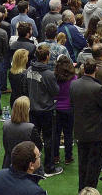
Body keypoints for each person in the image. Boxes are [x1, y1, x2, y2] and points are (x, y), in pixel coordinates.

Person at [70, 60, 102, 191]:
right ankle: (90, 191)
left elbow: (73, 103)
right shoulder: (97, 88)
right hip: (96, 133)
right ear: (96, 70)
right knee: (94, 165)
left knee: (82, 163)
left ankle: (82, 190)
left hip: (81, 131)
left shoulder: (74, 84)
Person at [26, 43, 61, 176]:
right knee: (48, 139)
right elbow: (55, 91)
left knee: (34, 139)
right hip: (46, 110)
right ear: (47, 56)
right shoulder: (48, 74)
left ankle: (32, 165)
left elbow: (25, 87)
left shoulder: (29, 70)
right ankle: (49, 167)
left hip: (33, 109)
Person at [3, 96, 43, 169]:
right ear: (27, 110)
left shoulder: (6, 125)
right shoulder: (30, 128)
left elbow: (5, 145)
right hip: (25, 166)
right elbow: (38, 147)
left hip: (9, 163)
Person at [52, 53, 76, 165]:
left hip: (56, 108)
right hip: (69, 109)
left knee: (56, 133)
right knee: (68, 133)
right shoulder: (74, 78)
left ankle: (55, 156)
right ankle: (68, 156)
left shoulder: (54, 77)